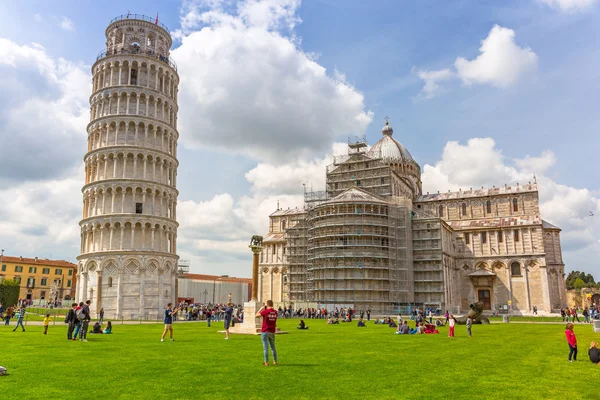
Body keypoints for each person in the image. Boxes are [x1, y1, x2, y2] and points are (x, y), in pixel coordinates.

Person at [257, 300, 278, 366]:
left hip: (265, 330)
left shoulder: (265, 312)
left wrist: (260, 309)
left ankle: (266, 362)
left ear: (267, 305)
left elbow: (256, 315)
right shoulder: (275, 312)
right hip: (272, 331)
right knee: (273, 347)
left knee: (265, 348)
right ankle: (275, 361)